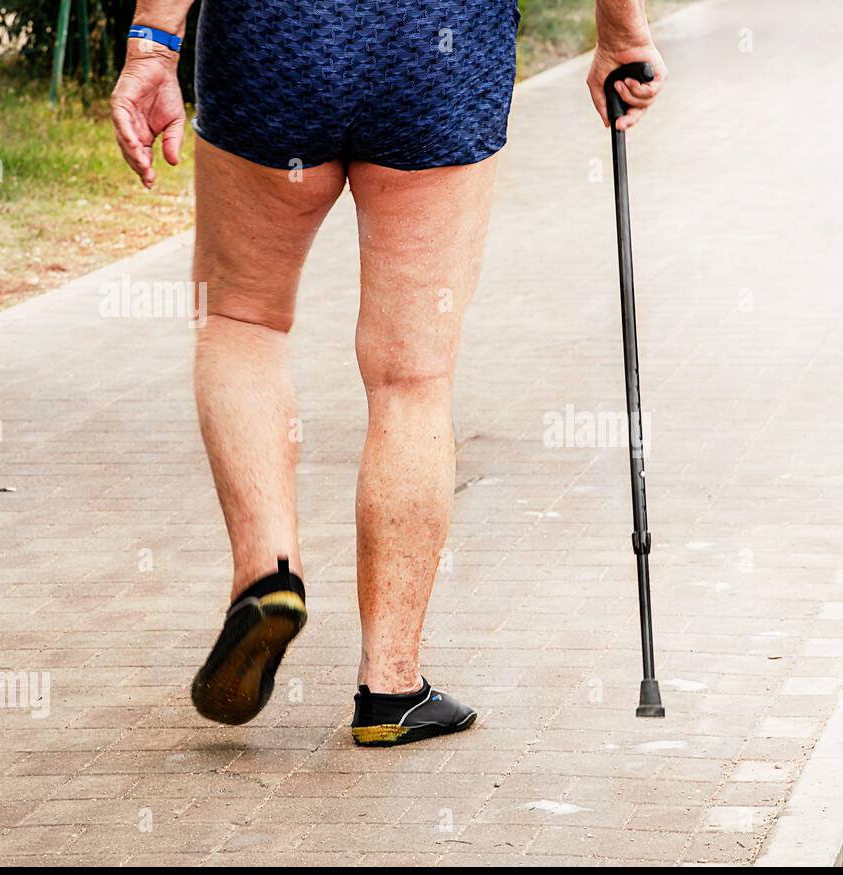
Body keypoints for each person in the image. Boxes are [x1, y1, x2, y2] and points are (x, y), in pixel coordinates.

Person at [110, 0, 666, 746]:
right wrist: (622, 34)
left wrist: (153, 46)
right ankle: (390, 687)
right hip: (440, 53)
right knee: (413, 376)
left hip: (275, 44)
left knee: (244, 320)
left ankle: (267, 574)